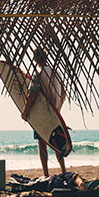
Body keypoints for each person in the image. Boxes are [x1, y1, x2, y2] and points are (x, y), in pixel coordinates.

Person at [22, 48, 66, 176]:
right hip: (55, 114)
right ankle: (63, 171)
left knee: (42, 143)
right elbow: (63, 93)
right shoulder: (56, 73)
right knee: (57, 143)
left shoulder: (38, 73)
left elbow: (32, 94)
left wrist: (25, 112)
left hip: (43, 115)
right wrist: (58, 109)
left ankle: (46, 173)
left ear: (35, 58)